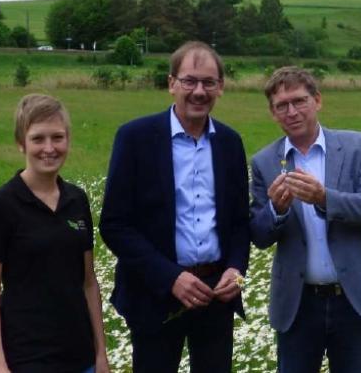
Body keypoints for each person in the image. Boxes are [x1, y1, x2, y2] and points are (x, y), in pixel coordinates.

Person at [99, 41, 250, 372]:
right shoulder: (135, 137)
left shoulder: (229, 143)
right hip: (155, 295)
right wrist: (171, 278)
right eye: (189, 81)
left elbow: (240, 221)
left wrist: (236, 272)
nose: (199, 91)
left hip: (216, 294)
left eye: (209, 82)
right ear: (171, 84)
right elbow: (114, 224)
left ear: (221, 88)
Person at [249, 67, 361, 372]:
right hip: (298, 301)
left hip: (353, 297)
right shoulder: (265, 162)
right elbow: (259, 235)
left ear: (317, 100)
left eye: (299, 101)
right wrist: (277, 211)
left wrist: (324, 198)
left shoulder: (359, 147)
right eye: (282, 106)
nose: (291, 112)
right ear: (273, 113)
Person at [0, 94, 110, 373]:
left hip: (80, 357)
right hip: (27, 359)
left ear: (68, 140)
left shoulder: (77, 199)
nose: (49, 148)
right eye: (38, 139)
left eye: (57, 137)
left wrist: (100, 355)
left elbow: (88, 282)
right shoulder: (0, 205)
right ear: (20, 143)